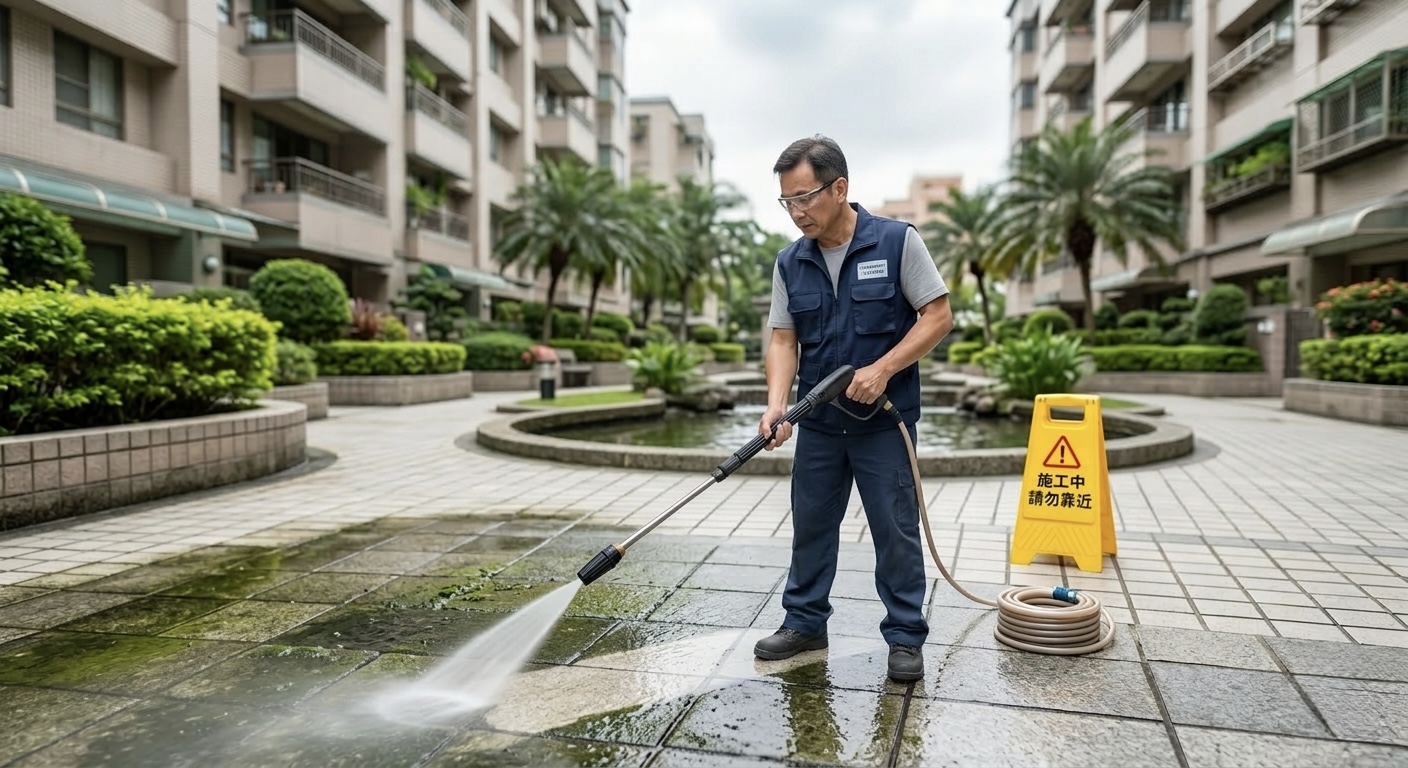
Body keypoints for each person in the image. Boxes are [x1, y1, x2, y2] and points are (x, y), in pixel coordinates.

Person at [753, 135, 953, 682]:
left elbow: (936, 317)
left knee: (895, 530)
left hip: (884, 424)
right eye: (786, 201)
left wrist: (884, 367)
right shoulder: (790, 262)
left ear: (839, 188)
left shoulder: (895, 242)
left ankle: (906, 634)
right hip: (817, 420)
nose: (796, 212)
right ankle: (804, 622)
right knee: (812, 525)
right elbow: (783, 339)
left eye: (805, 197)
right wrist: (776, 406)